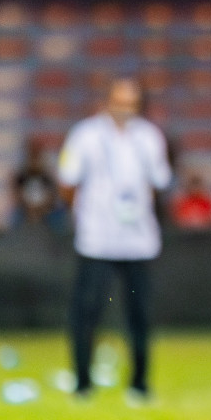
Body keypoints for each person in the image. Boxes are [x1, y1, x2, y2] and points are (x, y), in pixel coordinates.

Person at [58, 78, 172, 402]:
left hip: (137, 242)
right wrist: (85, 214)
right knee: (87, 311)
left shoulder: (149, 137)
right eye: (119, 101)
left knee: (139, 313)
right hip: (96, 240)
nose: (125, 108)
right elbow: (67, 182)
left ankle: (139, 384)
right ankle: (82, 383)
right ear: (107, 101)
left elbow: (158, 183)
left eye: (131, 102)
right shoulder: (85, 135)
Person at [12, 135, 66, 231]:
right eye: (32, 155)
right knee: (15, 217)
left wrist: (42, 209)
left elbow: (52, 195)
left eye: (37, 154)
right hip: (26, 212)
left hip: (46, 212)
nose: (35, 159)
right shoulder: (21, 174)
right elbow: (16, 195)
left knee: (59, 216)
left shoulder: (46, 175)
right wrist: (31, 210)